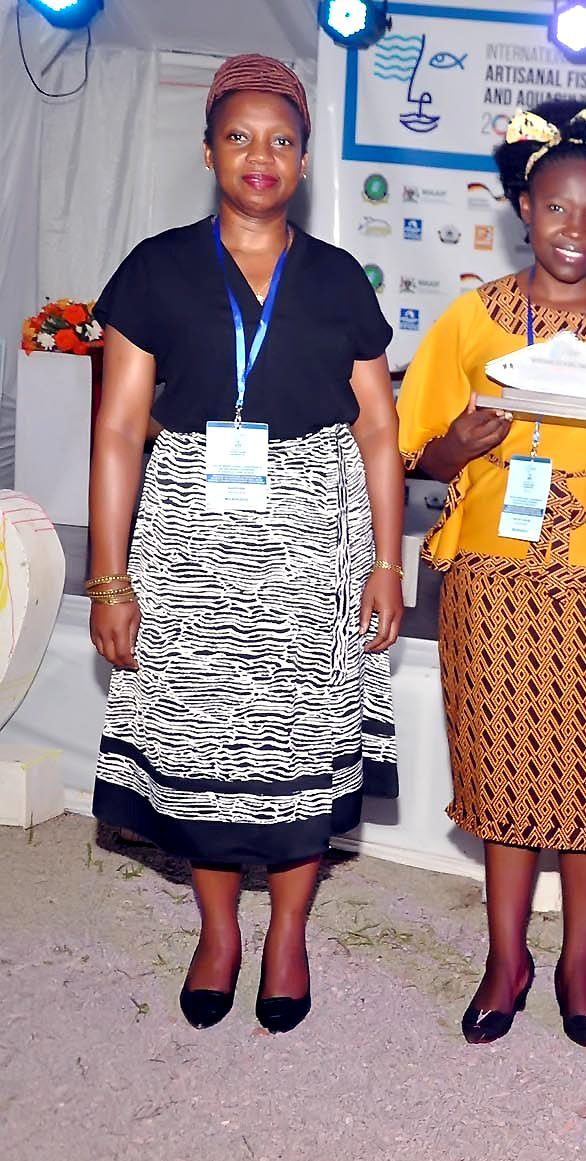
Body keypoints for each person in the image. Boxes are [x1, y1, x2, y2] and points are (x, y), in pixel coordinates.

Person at [88, 54, 402, 1035]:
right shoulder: (156, 267)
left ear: (304, 159)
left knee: (300, 740)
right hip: (189, 536)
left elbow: (381, 431)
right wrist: (110, 577)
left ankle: (289, 934)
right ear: (209, 148)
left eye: (279, 139)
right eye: (239, 136)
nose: (259, 156)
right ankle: (219, 932)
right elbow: (117, 429)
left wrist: (390, 562)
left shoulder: (340, 278)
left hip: (317, 537)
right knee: (204, 737)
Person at [397, 100, 586, 1049]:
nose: (577, 230)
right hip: (496, 575)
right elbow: (418, 456)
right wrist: (462, 439)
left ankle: (578, 960)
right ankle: (505, 959)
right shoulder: (472, 318)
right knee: (503, 771)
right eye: (558, 209)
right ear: (522, 207)